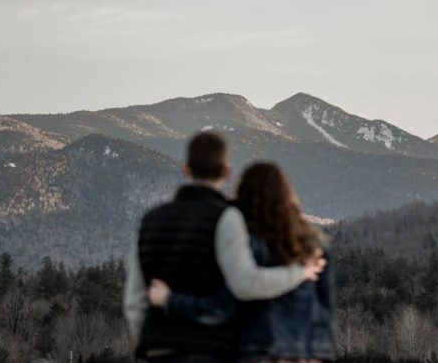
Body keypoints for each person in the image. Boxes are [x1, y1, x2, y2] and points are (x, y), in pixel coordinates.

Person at [123, 133, 326, 362]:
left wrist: (149, 341)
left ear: (187, 169)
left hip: (157, 350)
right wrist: (298, 273)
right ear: (226, 171)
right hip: (210, 349)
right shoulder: (227, 218)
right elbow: (245, 284)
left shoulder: (149, 221)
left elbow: (134, 300)